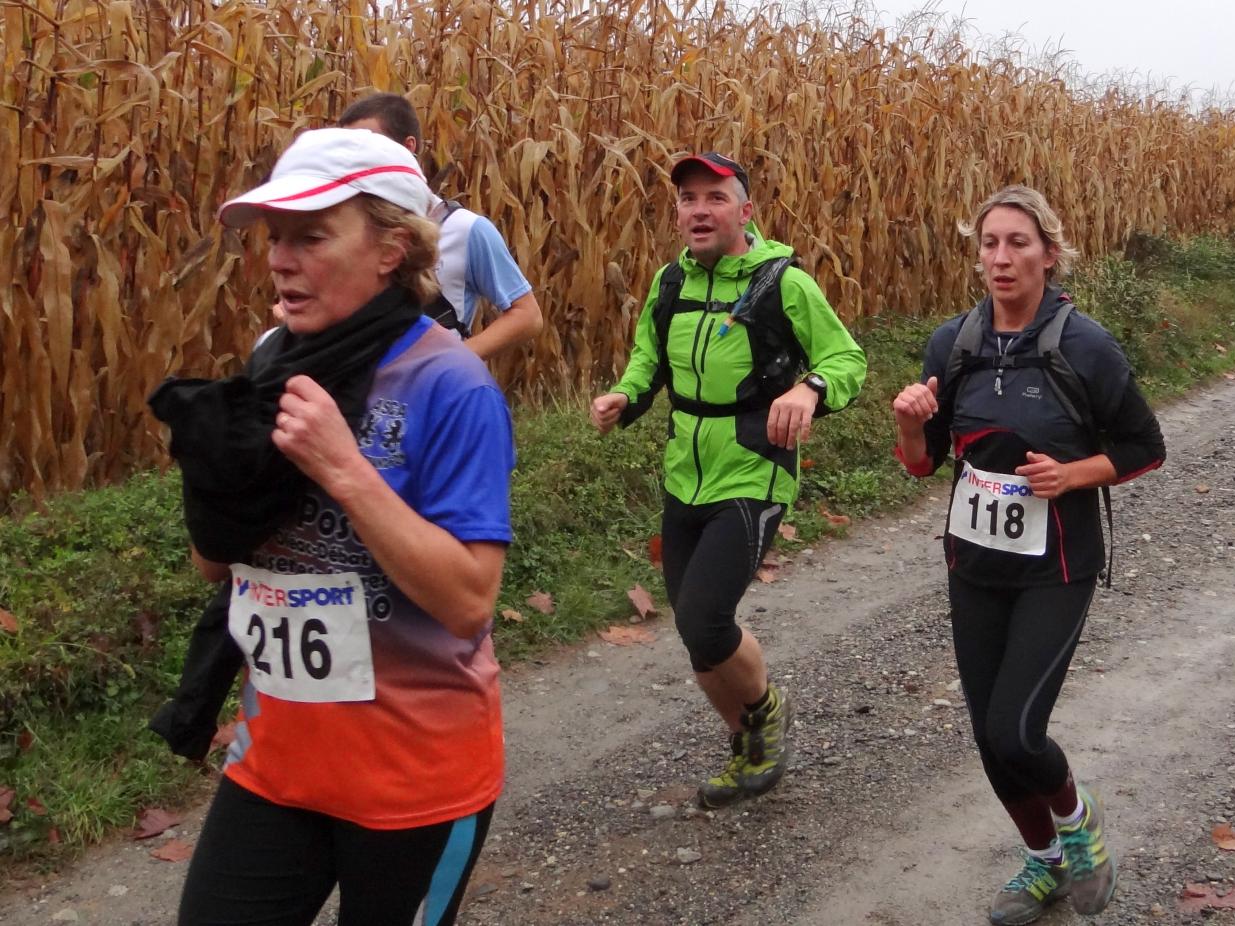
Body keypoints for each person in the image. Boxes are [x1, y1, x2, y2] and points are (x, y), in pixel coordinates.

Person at [152, 127, 515, 926]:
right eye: (274, 238)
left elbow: (468, 601)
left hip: (416, 781)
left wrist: (345, 470)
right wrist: (214, 473)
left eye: (311, 237)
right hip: (274, 765)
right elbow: (215, 566)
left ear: (391, 249)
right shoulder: (273, 360)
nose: (280, 260)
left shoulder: (451, 382)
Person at [891, 185, 1165, 924]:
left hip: (1058, 568)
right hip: (974, 565)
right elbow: (923, 464)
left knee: (1016, 729)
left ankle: (1079, 824)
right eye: (990, 243)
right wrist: (911, 426)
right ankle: (1044, 862)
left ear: (1049, 253)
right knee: (990, 738)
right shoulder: (953, 343)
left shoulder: (1086, 347)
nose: (1002, 257)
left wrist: (1072, 475)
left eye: (1018, 242)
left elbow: (1145, 446)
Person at [590, 152, 867, 809]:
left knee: (706, 619)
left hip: (753, 468)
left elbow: (846, 358)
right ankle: (750, 744)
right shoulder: (669, 283)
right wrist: (626, 396)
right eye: (688, 199)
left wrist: (810, 389)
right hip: (684, 471)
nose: (699, 210)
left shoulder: (782, 283)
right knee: (697, 637)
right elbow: (648, 359)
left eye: (715, 198)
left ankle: (766, 712)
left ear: (745, 212)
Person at [338, 92, 543, 360]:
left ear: (408, 147)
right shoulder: (344, 230)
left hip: (432, 384)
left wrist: (454, 361)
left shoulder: (467, 229)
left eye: (369, 147)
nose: (355, 160)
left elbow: (527, 315)